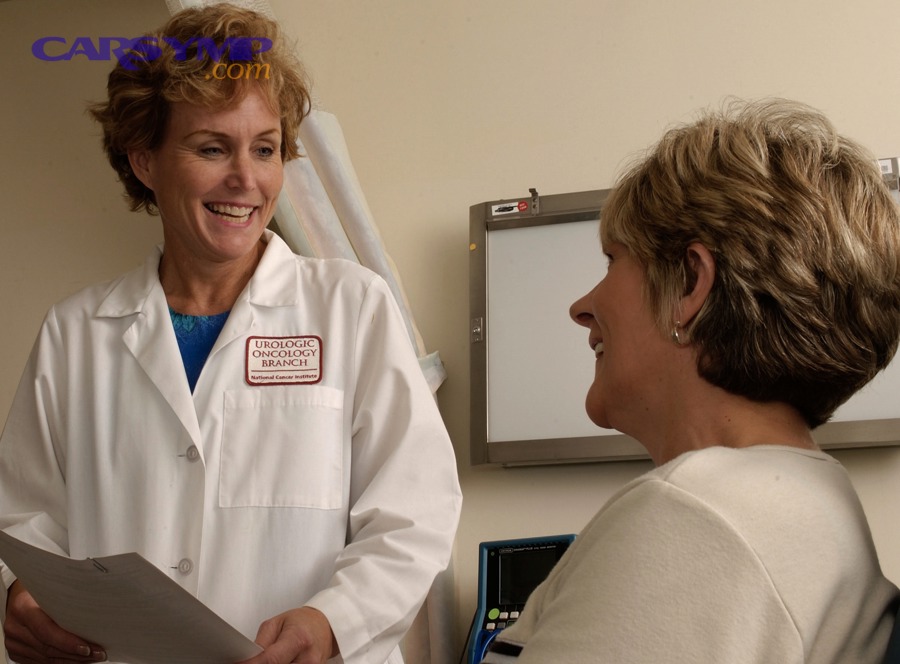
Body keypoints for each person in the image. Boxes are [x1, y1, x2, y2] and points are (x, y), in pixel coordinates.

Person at [0, 5, 461, 664]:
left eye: (266, 149)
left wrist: (334, 620)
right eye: (213, 147)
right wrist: (18, 594)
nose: (247, 179)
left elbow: (416, 515)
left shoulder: (352, 309)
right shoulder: (75, 335)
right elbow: (18, 519)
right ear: (145, 161)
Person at [482, 99, 900, 663]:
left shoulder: (695, 519)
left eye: (612, 261)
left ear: (688, 286)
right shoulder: (809, 498)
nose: (582, 307)